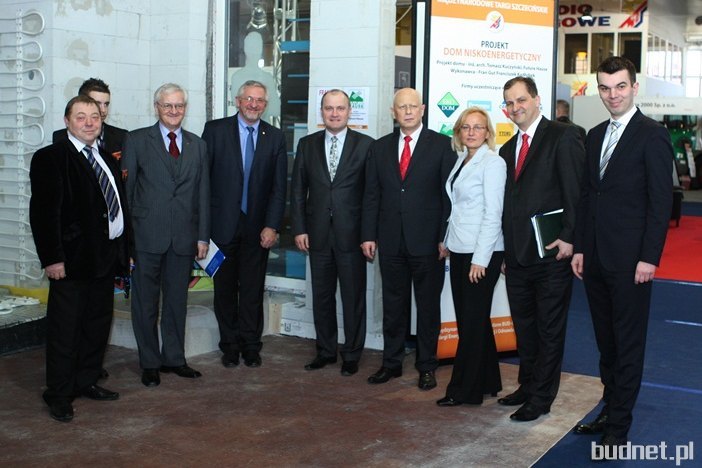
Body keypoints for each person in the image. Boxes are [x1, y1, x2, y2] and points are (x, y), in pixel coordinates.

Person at [571, 56, 673, 447]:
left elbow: (660, 201)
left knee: (628, 344)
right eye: (605, 87)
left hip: (632, 262)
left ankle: (619, 428)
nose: (612, 95)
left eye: (620, 86)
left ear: (634, 87)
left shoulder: (652, 134)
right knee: (606, 343)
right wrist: (581, 248)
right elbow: (587, 195)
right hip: (596, 258)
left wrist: (649, 257)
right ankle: (609, 408)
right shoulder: (595, 134)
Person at [30, 95, 129, 422]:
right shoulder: (51, 158)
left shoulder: (106, 158)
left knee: (96, 326)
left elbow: (117, 208)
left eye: (95, 117)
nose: (89, 122)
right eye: (81, 116)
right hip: (71, 263)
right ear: (67, 121)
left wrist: (123, 253)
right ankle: (59, 393)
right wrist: (52, 259)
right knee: (65, 331)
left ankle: (86, 380)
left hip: (104, 259)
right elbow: (44, 214)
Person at [497, 77, 585, 421]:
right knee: (525, 329)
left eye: (521, 99)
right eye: (509, 102)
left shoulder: (564, 136)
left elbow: (576, 192)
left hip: (552, 254)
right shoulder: (507, 150)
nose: (515, 107)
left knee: (549, 330)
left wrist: (569, 237)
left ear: (536, 100)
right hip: (517, 257)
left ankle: (541, 398)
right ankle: (528, 385)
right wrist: (505, 252)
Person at [361, 87, 455, 391]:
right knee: (393, 306)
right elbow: (371, 195)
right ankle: (391, 363)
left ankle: (427, 366)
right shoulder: (379, 148)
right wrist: (368, 235)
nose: (408, 111)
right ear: (394, 112)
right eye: (402, 107)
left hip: (428, 243)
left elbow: (449, 197)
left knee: (428, 308)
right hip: (390, 241)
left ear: (423, 109)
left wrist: (444, 237)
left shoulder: (442, 145)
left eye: (413, 106)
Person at [122, 83, 210, 387]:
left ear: (185, 108)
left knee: (176, 301)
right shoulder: (136, 140)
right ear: (156, 107)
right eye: (168, 105)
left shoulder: (198, 145)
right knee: (145, 303)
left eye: (179, 105)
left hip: (184, 239)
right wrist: (127, 242)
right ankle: (149, 363)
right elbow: (127, 194)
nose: (174, 111)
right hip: (146, 237)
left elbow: (203, 193)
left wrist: (202, 237)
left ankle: (174, 358)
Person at [202, 80, 287, 369]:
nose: (254, 104)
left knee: (252, 290)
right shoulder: (215, 131)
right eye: (248, 98)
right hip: (222, 226)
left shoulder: (275, 137)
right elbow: (203, 182)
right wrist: (203, 229)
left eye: (259, 100)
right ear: (238, 101)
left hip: (258, 228)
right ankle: (229, 346)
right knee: (224, 291)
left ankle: (251, 346)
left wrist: (272, 225)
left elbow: (279, 188)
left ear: (266, 104)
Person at [290, 89, 374, 376]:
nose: (334, 113)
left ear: (349, 111)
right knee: (322, 297)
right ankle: (325, 351)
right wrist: (299, 228)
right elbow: (298, 190)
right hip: (317, 235)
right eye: (329, 108)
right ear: (322, 112)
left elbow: (371, 195)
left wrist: (368, 234)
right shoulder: (307, 145)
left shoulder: (366, 146)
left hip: (353, 236)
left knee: (353, 298)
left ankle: (351, 354)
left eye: (340, 108)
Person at [436, 107, 506, 407]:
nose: (472, 132)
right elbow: (458, 208)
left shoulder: (494, 163)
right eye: (466, 127)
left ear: (488, 132)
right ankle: (489, 380)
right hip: (460, 247)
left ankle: (464, 390)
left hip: (482, 252)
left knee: (472, 323)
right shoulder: (461, 159)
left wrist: (481, 259)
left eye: (478, 127)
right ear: (459, 132)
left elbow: (493, 213)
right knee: (471, 321)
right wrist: (446, 240)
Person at [53, 78, 127, 161]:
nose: (103, 110)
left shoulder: (122, 136)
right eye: (97, 103)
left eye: (106, 104)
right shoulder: (61, 137)